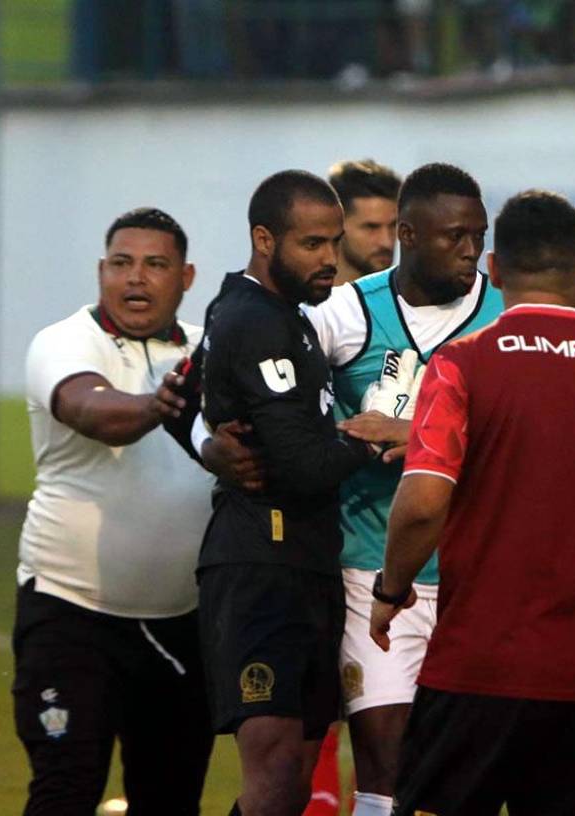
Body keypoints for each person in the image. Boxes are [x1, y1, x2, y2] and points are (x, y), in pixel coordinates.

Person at [182, 162, 499, 816]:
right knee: (383, 758)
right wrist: (207, 444)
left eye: (479, 234)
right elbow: (198, 382)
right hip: (368, 568)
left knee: (477, 766)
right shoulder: (338, 313)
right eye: (453, 236)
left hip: (484, 572)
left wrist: (420, 432)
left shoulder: (507, 315)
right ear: (409, 235)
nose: (470, 250)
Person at [371, 190, 575, 815]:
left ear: (493, 270)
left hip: (477, 670)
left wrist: (391, 590)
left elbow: (421, 504)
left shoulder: (461, 366)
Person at [12, 207, 214, 814]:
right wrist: (160, 404)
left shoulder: (210, 351)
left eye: (156, 265)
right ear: (101, 272)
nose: (137, 278)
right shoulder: (65, 341)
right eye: (122, 263)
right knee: (66, 789)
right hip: (71, 612)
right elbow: (90, 411)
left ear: (187, 277)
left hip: (183, 620)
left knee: (171, 800)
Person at [196, 170, 378, 816]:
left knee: (296, 778)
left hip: (304, 562)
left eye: (334, 242)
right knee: (274, 773)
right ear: (264, 239)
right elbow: (301, 466)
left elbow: (185, 398)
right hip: (260, 567)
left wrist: (205, 442)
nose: (329, 259)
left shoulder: (277, 315)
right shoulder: (256, 320)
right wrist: (374, 439)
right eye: (311, 245)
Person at [327, 159, 402, 285]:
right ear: (336, 225)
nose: (387, 242)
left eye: (393, 226)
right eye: (371, 227)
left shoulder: (412, 301)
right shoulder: (300, 301)